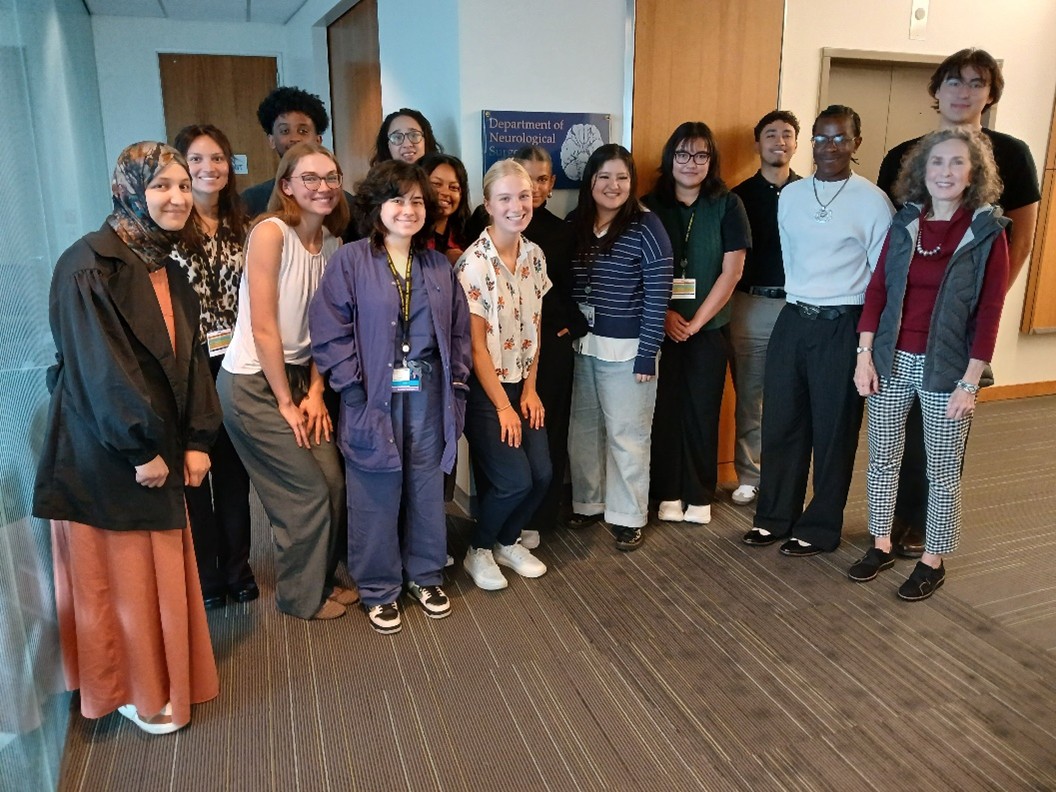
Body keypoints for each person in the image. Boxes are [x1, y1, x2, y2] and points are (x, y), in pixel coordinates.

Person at [33, 141, 221, 735]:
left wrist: (198, 438)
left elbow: (191, 359)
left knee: (154, 570)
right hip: (106, 453)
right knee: (120, 578)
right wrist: (141, 448)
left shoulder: (164, 262)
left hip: (160, 444)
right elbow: (97, 370)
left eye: (183, 185)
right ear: (130, 190)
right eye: (161, 186)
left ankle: (160, 677)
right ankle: (129, 688)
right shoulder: (87, 265)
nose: (175, 197)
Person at [876, 48, 1040, 558]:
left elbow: (1020, 243)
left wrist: (974, 315)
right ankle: (893, 522)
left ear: (990, 94)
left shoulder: (1011, 154)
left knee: (943, 436)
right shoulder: (904, 154)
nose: (963, 91)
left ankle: (928, 527)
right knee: (891, 431)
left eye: (975, 83)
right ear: (936, 91)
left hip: (958, 331)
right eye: (953, 81)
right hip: (904, 327)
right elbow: (892, 246)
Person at [310, 161, 471, 633]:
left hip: (428, 392)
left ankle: (424, 574)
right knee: (373, 486)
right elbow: (328, 329)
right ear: (376, 207)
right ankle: (379, 586)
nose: (408, 209)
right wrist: (352, 386)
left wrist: (457, 383)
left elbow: (459, 333)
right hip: (372, 393)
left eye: (417, 200)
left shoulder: (438, 265)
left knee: (425, 483)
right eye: (397, 199)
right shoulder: (350, 260)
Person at [851, 127, 1009, 600]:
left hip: (948, 368)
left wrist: (971, 381)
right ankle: (880, 544)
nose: (945, 172)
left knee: (940, 469)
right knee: (882, 459)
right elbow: (877, 290)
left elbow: (990, 311)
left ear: (974, 173)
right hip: (891, 360)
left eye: (957, 163)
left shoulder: (986, 232)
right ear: (923, 170)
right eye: (937, 162)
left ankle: (932, 559)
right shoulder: (905, 224)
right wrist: (864, 354)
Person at [741, 105, 893, 556]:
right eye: (822, 139)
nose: (830, 147)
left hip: (842, 324)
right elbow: (792, 258)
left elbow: (880, 281)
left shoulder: (872, 201)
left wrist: (866, 345)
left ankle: (821, 526)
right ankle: (773, 517)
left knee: (833, 431)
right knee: (781, 422)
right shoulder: (792, 196)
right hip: (794, 319)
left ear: (856, 143)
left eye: (840, 138)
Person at [217, 142, 355, 621]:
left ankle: (319, 575)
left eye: (331, 177)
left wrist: (315, 393)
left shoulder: (333, 245)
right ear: (286, 185)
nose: (323, 187)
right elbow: (264, 327)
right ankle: (301, 598)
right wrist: (285, 402)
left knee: (334, 484)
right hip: (254, 382)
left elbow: (329, 328)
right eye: (310, 178)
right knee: (305, 493)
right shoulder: (271, 232)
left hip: (301, 377)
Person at [567, 144, 674, 551]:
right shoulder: (577, 221)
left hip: (629, 351)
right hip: (583, 346)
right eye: (604, 177)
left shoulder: (648, 227)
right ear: (591, 180)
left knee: (627, 436)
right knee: (585, 431)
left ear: (632, 183)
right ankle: (589, 502)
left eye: (622, 178)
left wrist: (649, 351)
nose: (613, 186)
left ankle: (628, 514)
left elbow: (657, 294)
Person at [644, 122, 750, 526]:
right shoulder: (649, 205)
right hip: (661, 326)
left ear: (712, 160)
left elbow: (732, 271)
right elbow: (640, 268)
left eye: (701, 155)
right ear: (670, 157)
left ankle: (699, 493)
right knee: (665, 410)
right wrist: (668, 315)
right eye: (683, 154)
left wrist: (696, 320)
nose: (691, 163)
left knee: (704, 410)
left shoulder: (727, 204)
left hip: (709, 329)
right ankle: (668, 492)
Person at [456, 159, 553, 590]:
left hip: (522, 383)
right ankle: (478, 549)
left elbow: (535, 326)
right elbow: (476, 347)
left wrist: (529, 391)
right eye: (506, 198)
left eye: (524, 196)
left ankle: (507, 540)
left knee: (543, 475)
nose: (517, 206)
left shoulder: (534, 256)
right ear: (488, 205)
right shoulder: (473, 264)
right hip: (486, 390)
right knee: (513, 481)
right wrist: (503, 406)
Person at [171, 124, 256, 610]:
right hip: (187, 363)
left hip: (236, 359)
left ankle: (238, 568)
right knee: (194, 473)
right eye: (197, 160)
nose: (209, 168)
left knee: (233, 472)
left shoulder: (244, 226)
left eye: (218, 158)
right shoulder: (167, 230)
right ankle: (207, 576)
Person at [729, 110, 801, 507]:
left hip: (797, 307)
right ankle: (750, 475)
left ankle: (781, 477)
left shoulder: (810, 192)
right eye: (770, 134)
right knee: (751, 395)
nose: (779, 141)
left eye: (787, 134)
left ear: (795, 143)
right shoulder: (739, 196)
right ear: (758, 144)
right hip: (751, 304)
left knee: (790, 397)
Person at [240, 86, 330, 217]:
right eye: (285, 131)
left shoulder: (337, 199)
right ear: (271, 140)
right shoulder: (251, 201)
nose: (295, 138)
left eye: (303, 131)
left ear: (318, 140)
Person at [421, 152, 471, 264]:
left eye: (453, 187)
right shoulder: (407, 236)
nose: (445, 192)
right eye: (436, 184)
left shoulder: (468, 236)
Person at [369, 108, 441, 166]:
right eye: (397, 137)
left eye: (414, 135)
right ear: (386, 145)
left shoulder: (443, 178)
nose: (407, 144)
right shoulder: (378, 183)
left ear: (426, 140)